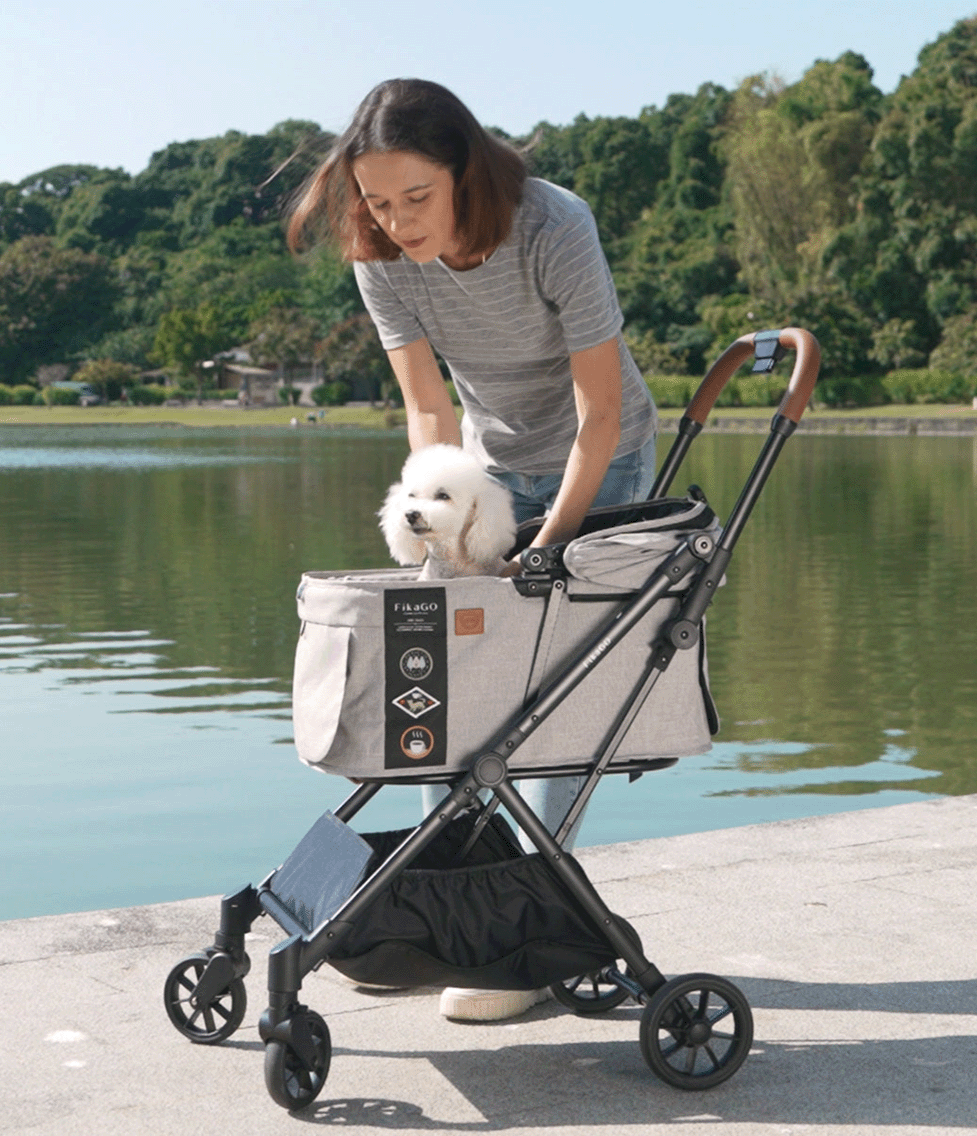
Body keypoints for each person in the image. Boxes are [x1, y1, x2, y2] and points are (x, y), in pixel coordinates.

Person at [287, 78, 658, 1022]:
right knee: (441, 701)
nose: (396, 220)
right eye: (375, 201)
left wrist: (553, 544)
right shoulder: (380, 255)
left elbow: (600, 409)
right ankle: (450, 918)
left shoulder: (552, 226)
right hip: (481, 476)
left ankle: (525, 946)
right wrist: (434, 515)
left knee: (561, 713)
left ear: (465, 172)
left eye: (417, 197)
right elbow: (427, 408)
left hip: (597, 464)